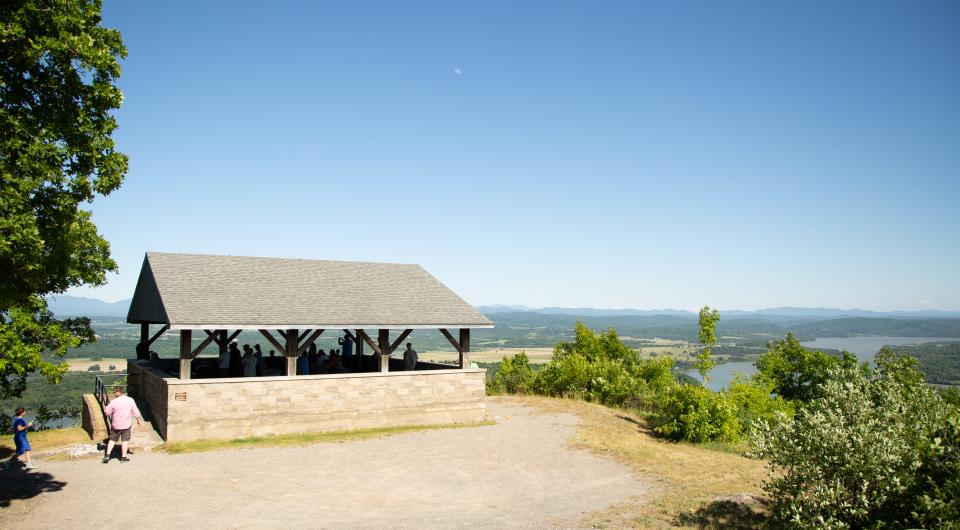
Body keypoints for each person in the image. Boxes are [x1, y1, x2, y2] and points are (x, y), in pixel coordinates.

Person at [102, 387, 142, 464]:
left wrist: (106, 408)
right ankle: (123, 457)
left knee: (112, 440)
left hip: (116, 425)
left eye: (115, 392)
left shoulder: (114, 402)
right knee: (125, 441)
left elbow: (107, 412)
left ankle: (107, 455)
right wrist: (138, 419)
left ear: (119, 392)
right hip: (126, 425)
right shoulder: (130, 400)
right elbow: (135, 410)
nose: (114, 393)